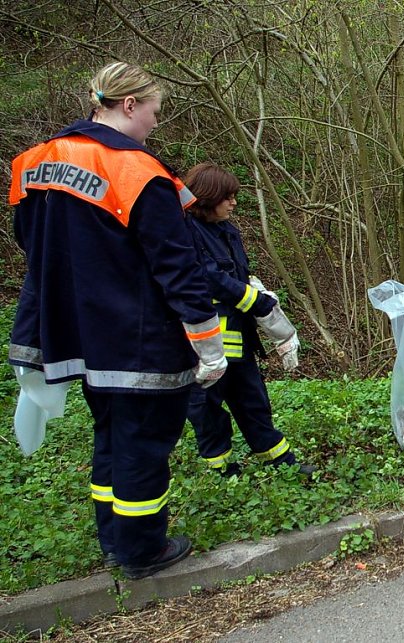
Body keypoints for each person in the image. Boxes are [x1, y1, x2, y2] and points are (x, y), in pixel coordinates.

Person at [8, 62, 228, 580]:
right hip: (137, 335)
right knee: (144, 441)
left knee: (110, 434)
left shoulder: (34, 162)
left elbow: (31, 242)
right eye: (154, 112)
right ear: (129, 105)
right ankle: (142, 550)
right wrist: (208, 343)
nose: (155, 123)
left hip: (75, 332)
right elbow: (177, 266)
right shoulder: (137, 171)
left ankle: (113, 539)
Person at [182, 162, 314, 478]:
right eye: (227, 197)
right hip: (205, 345)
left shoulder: (227, 231)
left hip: (238, 339)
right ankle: (220, 471)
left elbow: (237, 277)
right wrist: (256, 301)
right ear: (207, 196)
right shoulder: (186, 230)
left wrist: (260, 296)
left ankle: (281, 462)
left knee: (254, 401)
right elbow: (208, 278)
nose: (234, 203)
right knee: (207, 410)